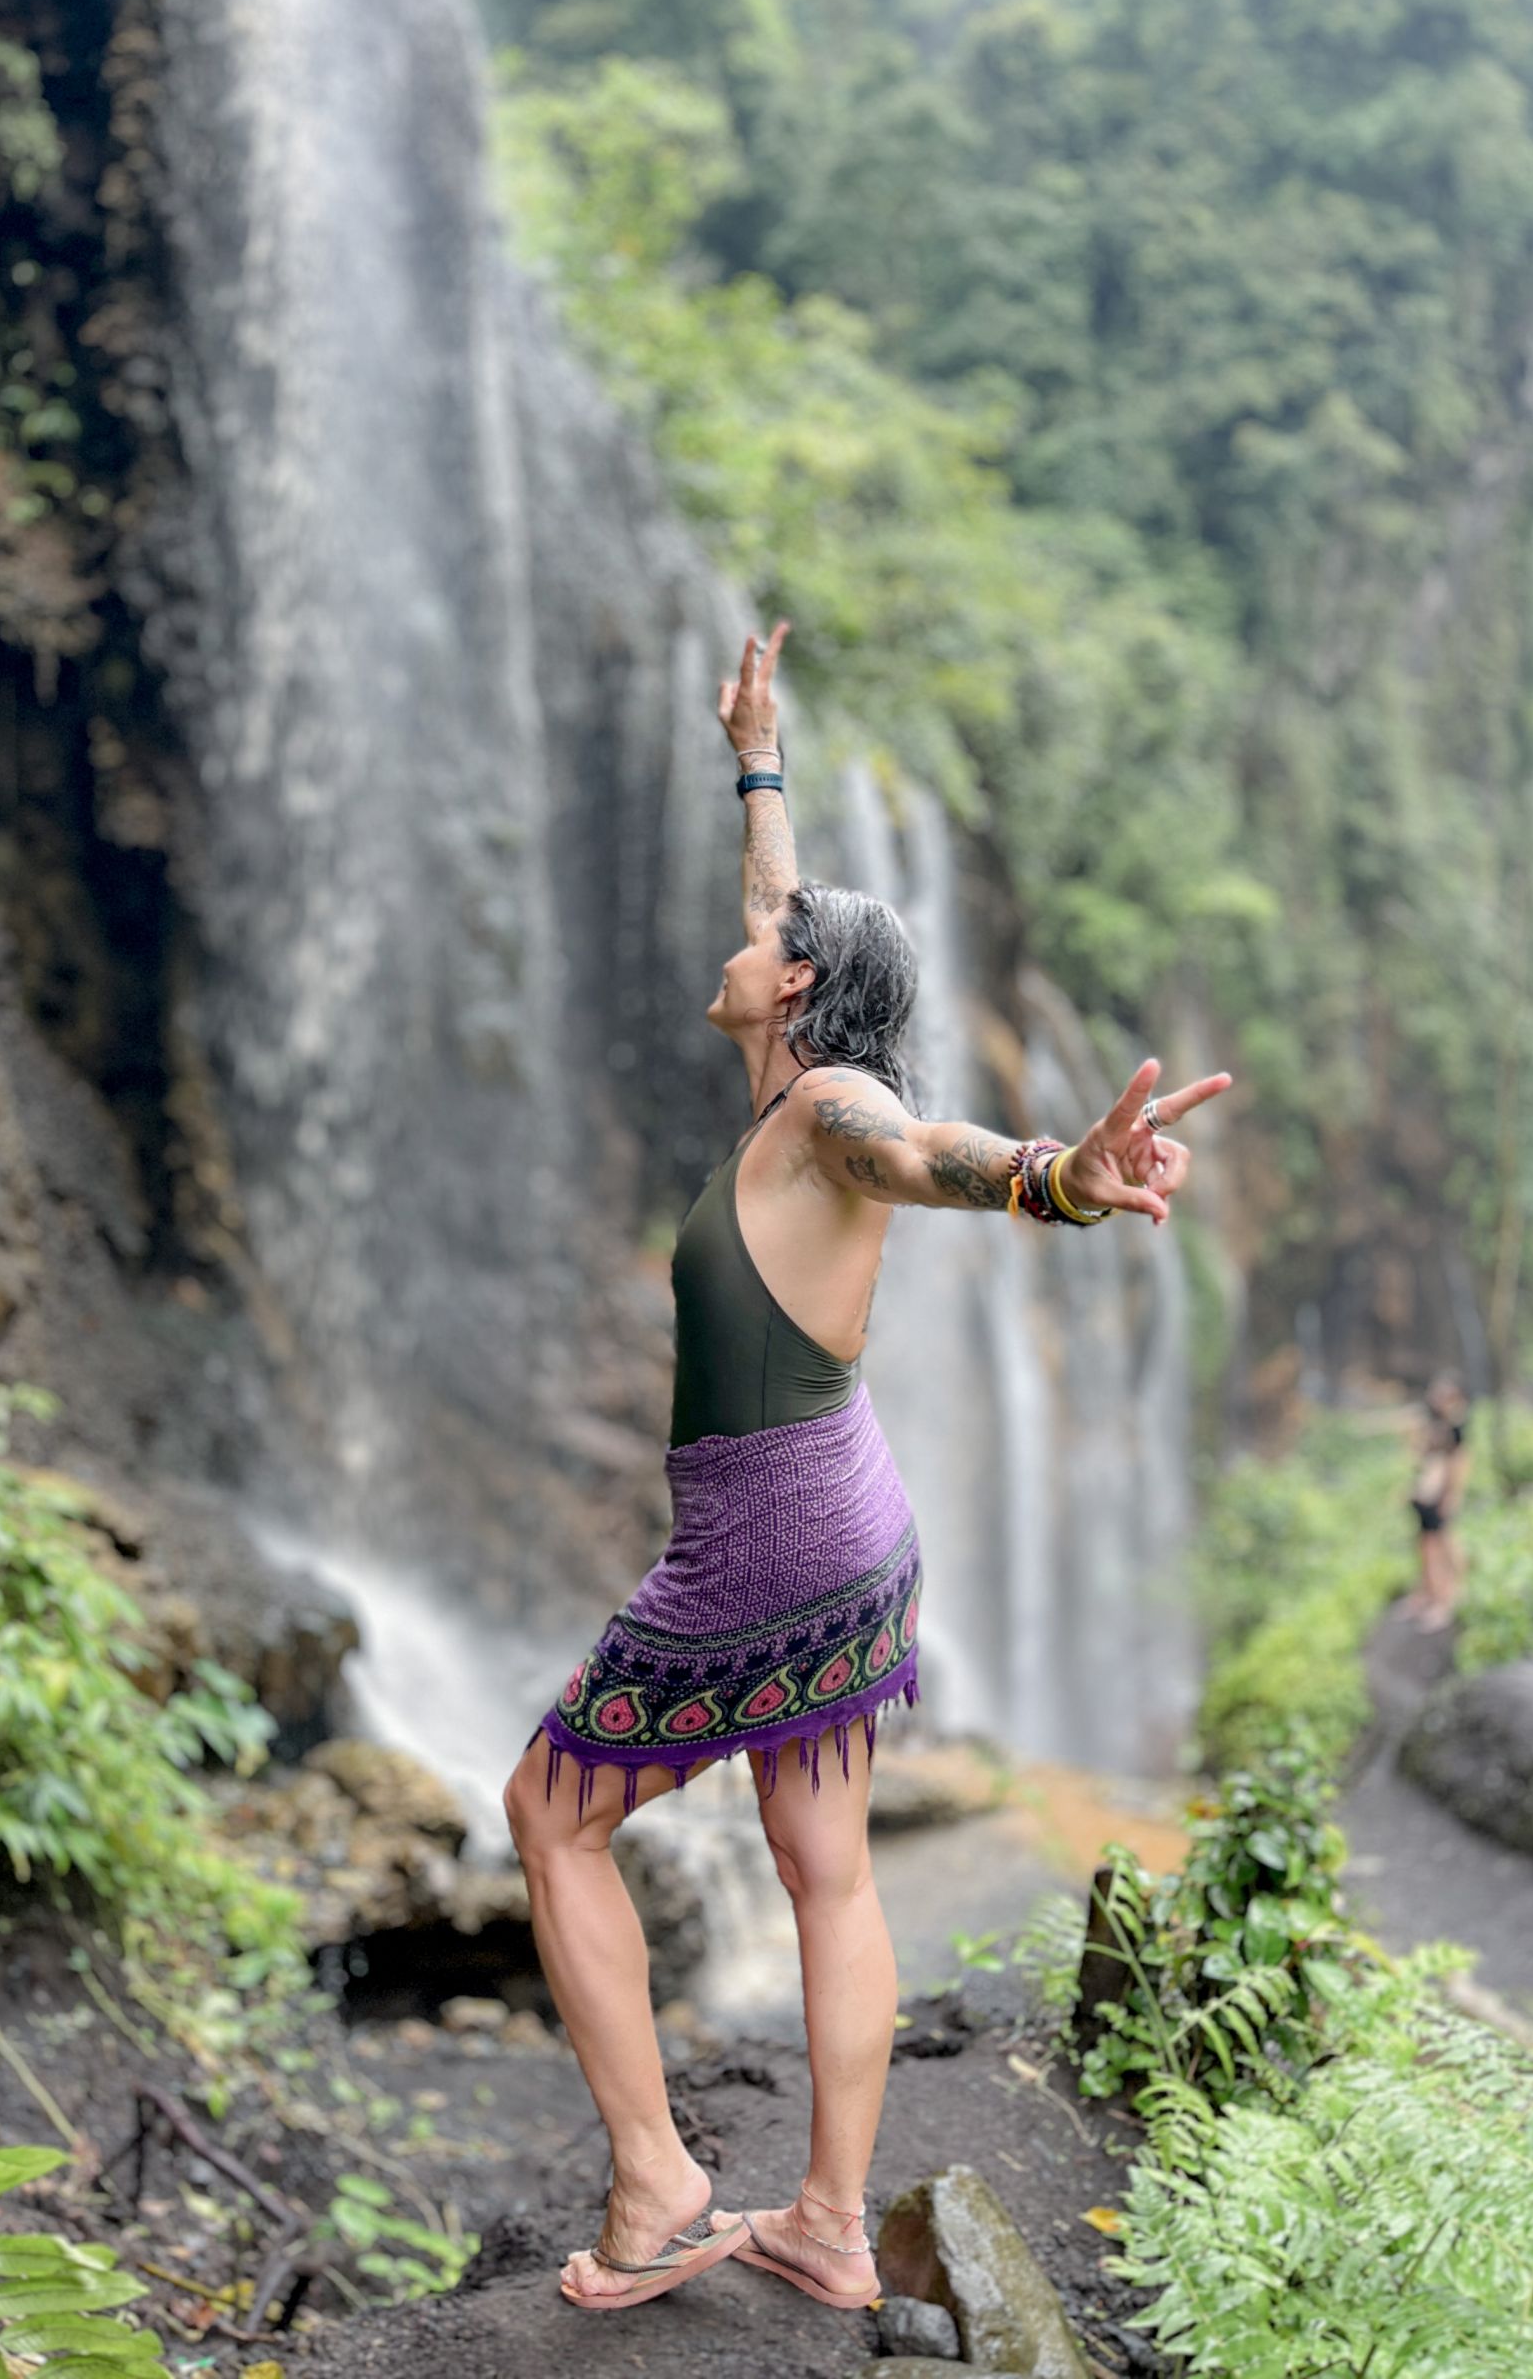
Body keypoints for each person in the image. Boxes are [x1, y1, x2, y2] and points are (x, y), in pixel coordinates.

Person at [502, 622, 1232, 2314]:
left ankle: (659, 2184)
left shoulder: (833, 1105)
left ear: (808, 993)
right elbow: (790, 906)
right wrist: (756, 758)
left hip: (766, 1542)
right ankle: (829, 2222)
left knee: (551, 1816)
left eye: (777, 942)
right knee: (825, 1867)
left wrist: (1056, 1172)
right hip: (849, 1522)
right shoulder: (801, 1071)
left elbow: (927, 1150)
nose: (750, 936)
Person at [1403, 1375, 1471, 1631]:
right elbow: (1420, 1458)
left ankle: (1446, 1600)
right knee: (1427, 1547)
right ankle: (1429, 1593)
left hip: (1440, 1497)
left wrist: (1452, 1496)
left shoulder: (1455, 1429)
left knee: (1443, 1547)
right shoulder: (1433, 1425)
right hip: (1426, 1496)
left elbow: (1459, 1465)